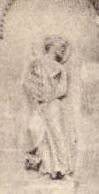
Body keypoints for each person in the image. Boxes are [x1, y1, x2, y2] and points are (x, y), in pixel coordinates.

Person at [23, 35, 74, 180]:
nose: (63, 50)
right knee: (36, 131)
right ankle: (45, 167)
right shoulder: (37, 63)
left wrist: (49, 96)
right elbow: (28, 83)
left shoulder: (60, 68)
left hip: (52, 105)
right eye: (61, 46)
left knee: (56, 134)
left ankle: (62, 169)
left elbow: (62, 89)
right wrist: (36, 94)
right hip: (40, 104)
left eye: (65, 47)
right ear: (51, 46)